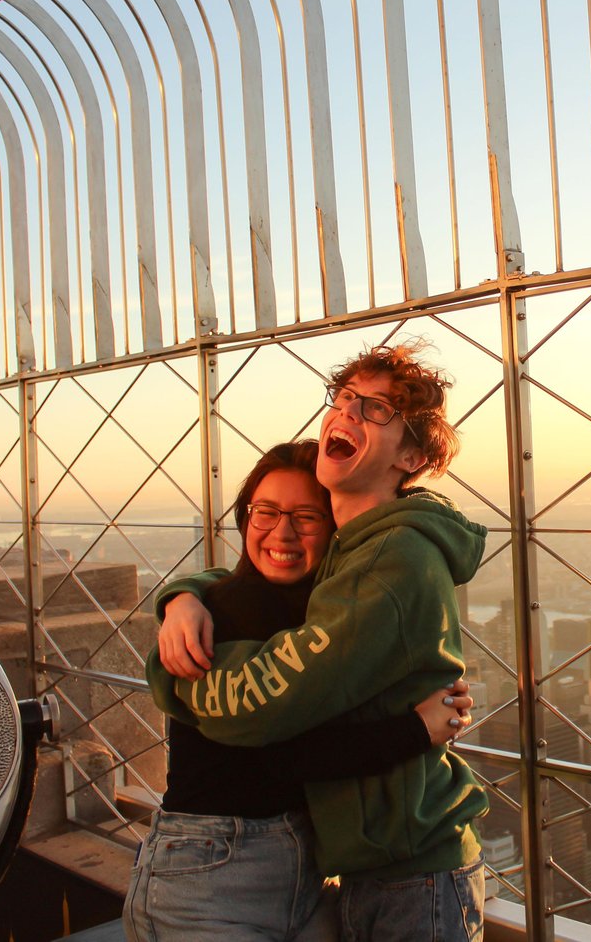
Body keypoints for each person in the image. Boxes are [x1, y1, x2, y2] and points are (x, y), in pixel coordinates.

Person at [153, 341, 490, 941]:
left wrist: (174, 674)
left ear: (412, 455)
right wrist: (183, 596)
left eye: (376, 410)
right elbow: (262, 578)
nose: (348, 414)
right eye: (344, 399)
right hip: (367, 865)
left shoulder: (392, 559)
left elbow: (264, 705)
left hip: (412, 869)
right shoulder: (352, 549)